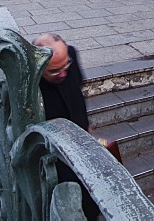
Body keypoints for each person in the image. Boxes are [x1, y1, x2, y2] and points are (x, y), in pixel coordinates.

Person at [34, 33, 99, 220]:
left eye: (65, 66)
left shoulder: (70, 54)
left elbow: (77, 88)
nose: (63, 73)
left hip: (83, 141)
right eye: (54, 71)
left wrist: (86, 125)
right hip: (56, 154)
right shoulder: (31, 82)